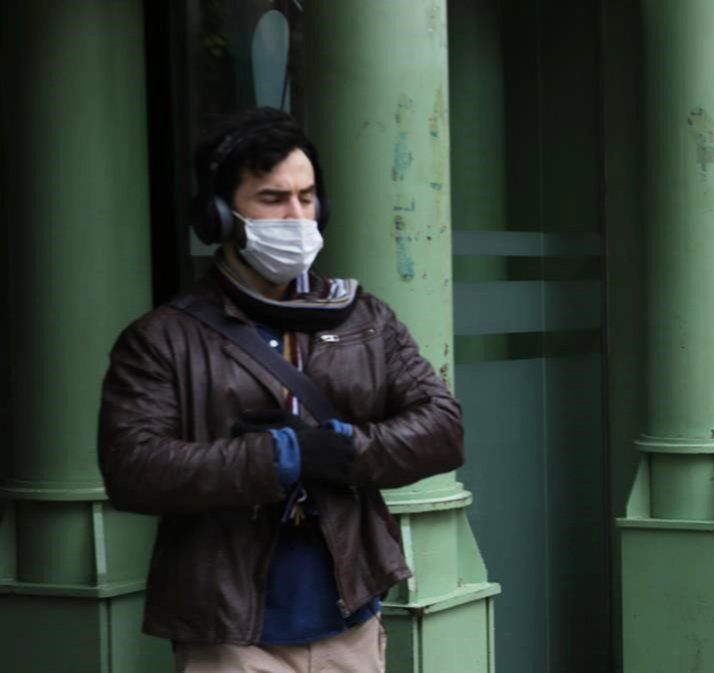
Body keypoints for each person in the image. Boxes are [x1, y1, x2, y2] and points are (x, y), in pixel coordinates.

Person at [98, 107, 464, 672]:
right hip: (233, 633)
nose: (297, 216)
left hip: (350, 620)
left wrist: (345, 448)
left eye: (307, 196)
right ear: (219, 215)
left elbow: (442, 427)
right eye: (272, 199)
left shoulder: (363, 317)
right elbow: (134, 468)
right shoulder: (163, 338)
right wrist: (281, 457)